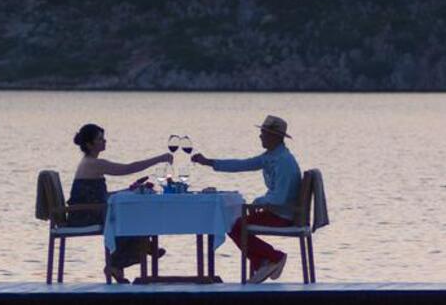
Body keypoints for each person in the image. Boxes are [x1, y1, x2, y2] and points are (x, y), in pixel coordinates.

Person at [193, 114, 301, 283]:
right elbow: (242, 164)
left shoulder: (284, 162)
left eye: (264, 133)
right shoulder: (271, 157)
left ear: (275, 137)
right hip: (276, 212)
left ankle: (274, 257)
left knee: (236, 226)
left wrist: (256, 203)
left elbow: (279, 198)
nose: (260, 136)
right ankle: (262, 263)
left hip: (283, 215)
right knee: (234, 224)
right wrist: (210, 162)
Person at [68, 123, 172, 283]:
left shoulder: (90, 163)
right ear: (89, 144)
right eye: (100, 139)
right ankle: (127, 257)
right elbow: (128, 168)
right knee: (131, 219)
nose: (104, 141)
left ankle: (125, 259)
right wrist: (160, 159)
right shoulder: (93, 163)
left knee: (131, 215)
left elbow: (100, 196)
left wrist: (129, 189)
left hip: (92, 210)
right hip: (85, 216)